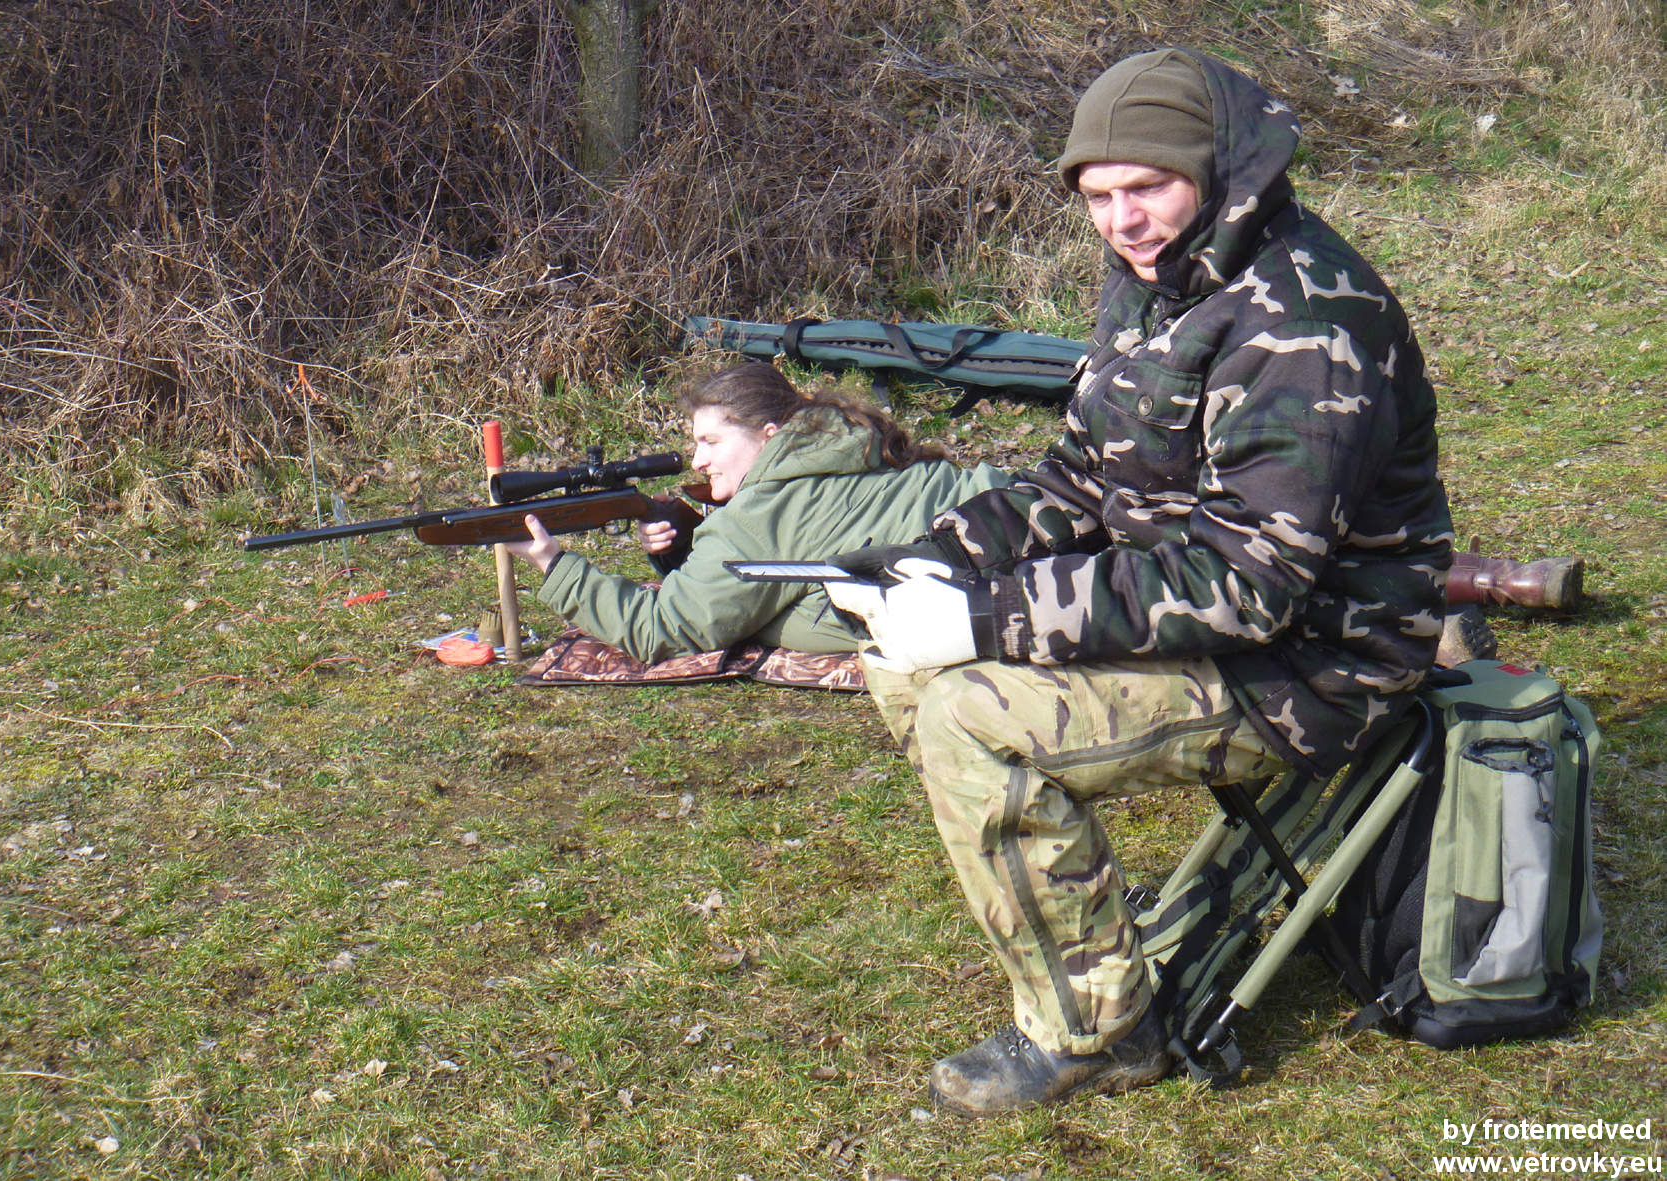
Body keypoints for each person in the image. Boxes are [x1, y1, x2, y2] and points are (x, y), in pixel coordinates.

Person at [824, 48, 1454, 1115]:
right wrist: (945, 555)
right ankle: (1064, 906)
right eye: (1098, 196)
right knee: (899, 659)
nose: (1122, 220)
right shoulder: (1160, 279)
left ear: (1215, 171)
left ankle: (1096, 1031)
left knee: (972, 717)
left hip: (1312, 664)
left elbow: (1248, 584)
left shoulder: (1301, 321)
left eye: (1148, 187)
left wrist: (984, 618)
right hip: (1214, 619)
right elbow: (1086, 473)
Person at [504, 361, 1011, 663]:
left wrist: (552, 563)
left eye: (711, 442)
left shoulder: (754, 519)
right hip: (1019, 509)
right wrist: (684, 550)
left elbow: (663, 628)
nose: (698, 461)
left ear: (769, 436)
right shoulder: (846, 443)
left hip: (1003, 582)